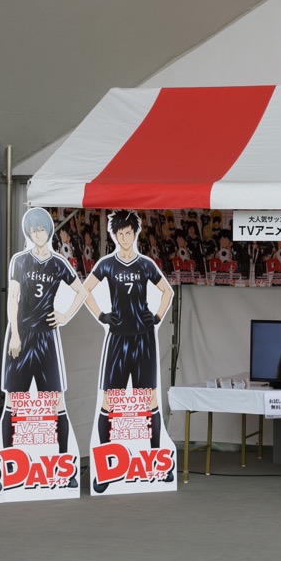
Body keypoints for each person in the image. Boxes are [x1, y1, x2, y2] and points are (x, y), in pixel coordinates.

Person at [85, 209, 174, 492]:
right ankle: (105, 469)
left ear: (136, 234)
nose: (125, 238)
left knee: (149, 399)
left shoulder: (145, 264)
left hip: (144, 339)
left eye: (129, 233)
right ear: (114, 235)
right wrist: (102, 315)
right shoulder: (107, 264)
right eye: (120, 233)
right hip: (117, 339)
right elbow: (85, 290)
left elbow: (168, 292)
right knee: (109, 401)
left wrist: (156, 317)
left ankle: (157, 464)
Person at [1, 208, 87, 462]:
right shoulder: (20, 260)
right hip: (23, 334)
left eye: (42, 229)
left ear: (48, 231)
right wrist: (14, 334)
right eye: (34, 230)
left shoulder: (58, 263)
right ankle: (9, 461)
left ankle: (62, 463)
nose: (38, 234)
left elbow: (81, 292)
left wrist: (65, 315)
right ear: (28, 233)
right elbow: (13, 298)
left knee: (55, 399)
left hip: (47, 337)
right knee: (14, 399)